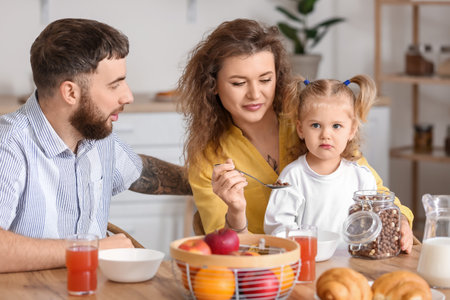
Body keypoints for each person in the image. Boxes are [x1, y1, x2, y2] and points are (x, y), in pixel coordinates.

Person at [177, 18, 414, 252]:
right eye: (239, 83)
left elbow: (372, 189)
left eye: (265, 80)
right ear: (213, 85)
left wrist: (401, 219)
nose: (255, 94)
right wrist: (236, 212)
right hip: (262, 270)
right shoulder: (209, 156)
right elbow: (224, 246)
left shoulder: (313, 125)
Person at [0, 18, 191, 273]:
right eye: (115, 85)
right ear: (70, 93)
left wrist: (205, 182)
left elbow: (141, 172)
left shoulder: (96, 136)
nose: (128, 96)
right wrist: (91, 248)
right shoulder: (9, 144)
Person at [263, 75, 414, 252]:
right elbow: (277, 226)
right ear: (300, 129)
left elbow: (378, 221)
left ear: (351, 130)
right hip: (309, 263)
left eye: (336, 126)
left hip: (354, 264)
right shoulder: (292, 176)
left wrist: (399, 225)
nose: (326, 134)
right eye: (316, 125)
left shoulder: (361, 177)